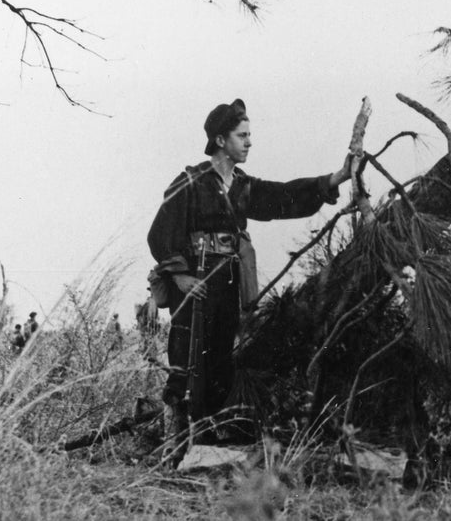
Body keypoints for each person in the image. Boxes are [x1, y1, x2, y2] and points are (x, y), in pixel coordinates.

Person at [148, 98, 353, 441]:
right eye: (242, 135)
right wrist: (180, 276)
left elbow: (282, 196)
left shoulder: (242, 186)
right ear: (219, 140)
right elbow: (160, 233)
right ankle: (177, 439)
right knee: (186, 354)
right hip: (196, 281)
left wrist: (334, 179)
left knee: (221, 358)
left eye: (249, 135)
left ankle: (211, 435)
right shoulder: (190, 181)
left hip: (229, 280)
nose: (249, 142)